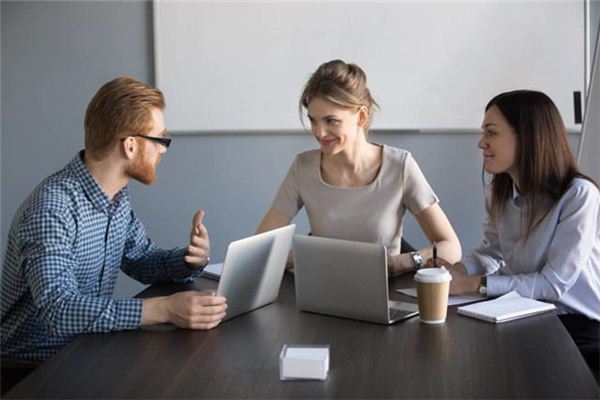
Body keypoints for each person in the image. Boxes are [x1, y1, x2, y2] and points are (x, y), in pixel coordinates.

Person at [0, 77, 227, 393]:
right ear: (131, 145)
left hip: (82, 349)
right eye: (160, 139)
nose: (163, 150)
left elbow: (141, 260)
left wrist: (189, 259)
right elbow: (58, 310)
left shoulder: (116, 198)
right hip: (28, 372)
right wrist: (163, 309)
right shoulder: (52, 208)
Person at [432, 90, 599, 381]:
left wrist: (472, 283)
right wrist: (456, 271)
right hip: (524, 314)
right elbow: (490, 252)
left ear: (528, 137)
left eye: (491, 133)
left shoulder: (579, 195)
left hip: (580, 329)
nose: (481, 143)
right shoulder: (500, 191)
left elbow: (552, 285)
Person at [257, 60, 462, 273]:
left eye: (331, 121)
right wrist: (305, 258)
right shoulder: (303, 167)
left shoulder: (399, 166)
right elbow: (260, 247)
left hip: (383, 295)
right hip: (321, 290)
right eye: (313, 121)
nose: (319, 132)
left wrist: (398, 262)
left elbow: (451, 247)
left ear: (361, 117)